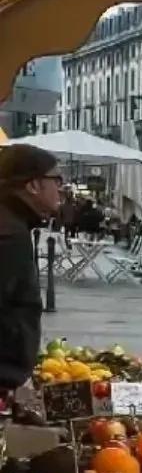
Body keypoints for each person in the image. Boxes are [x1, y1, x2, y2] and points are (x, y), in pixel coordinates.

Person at [0, 145, 61, 390]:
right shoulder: (9, 234)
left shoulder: (13, 223)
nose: (61, 188)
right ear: (33, 185)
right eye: (56, 179)